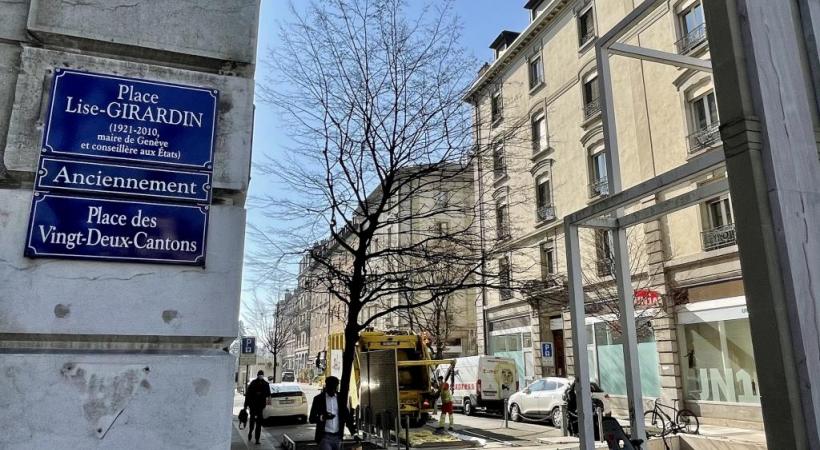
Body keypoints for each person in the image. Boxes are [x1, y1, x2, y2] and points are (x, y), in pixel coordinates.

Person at [309, 376, 357, 450]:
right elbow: (311, 419)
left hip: (338, 437)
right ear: (326, 386)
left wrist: (353, 432)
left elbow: (346, 416)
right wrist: (322, 417)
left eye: (335, 388)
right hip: (324, 437)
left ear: (337, 386)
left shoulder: (340, 398)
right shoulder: (318, 399)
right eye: (331, 387)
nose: (333, 390)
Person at [243, 370, 270, 445]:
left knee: (258, 424)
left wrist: (261, 394)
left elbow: (268, 394)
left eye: (261, 375)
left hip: (259, 407)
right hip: (253, 406)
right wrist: (245, 405)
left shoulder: (265, 384)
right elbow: (248, 395)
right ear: (258, 375)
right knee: (252, 422)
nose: (260, 376)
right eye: (260, 375)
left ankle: (257, 439)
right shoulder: (253, 383)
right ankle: (250, 432)